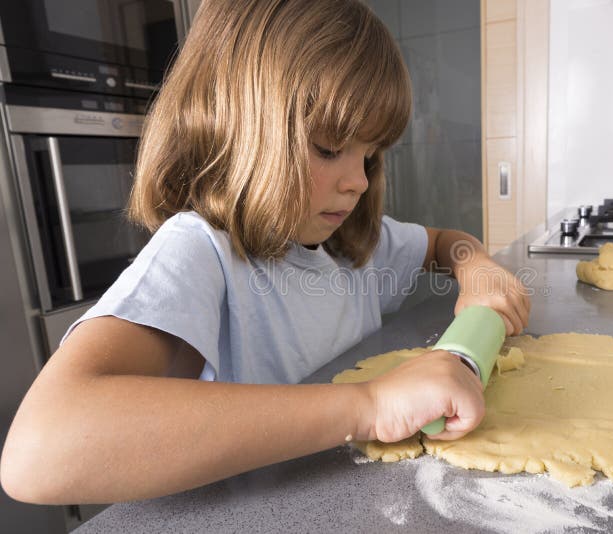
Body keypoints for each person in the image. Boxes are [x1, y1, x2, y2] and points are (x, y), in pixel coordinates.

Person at [0, 0, 530, 505]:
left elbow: (442, 244)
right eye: (328, 148)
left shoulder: (345, 247)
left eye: (368, 156)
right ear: (238, 122)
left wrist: (476, 267)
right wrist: (370, 405)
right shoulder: (204, 252)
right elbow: (38, 450)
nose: (357, 183)